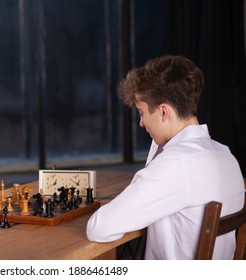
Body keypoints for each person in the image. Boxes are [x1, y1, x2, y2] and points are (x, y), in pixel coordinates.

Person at [86, 55, 245, 259]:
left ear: (163, 112)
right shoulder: (225, 154)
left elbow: (99, 228)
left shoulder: (175, 164)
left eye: (141, 113)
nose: (142, 123)